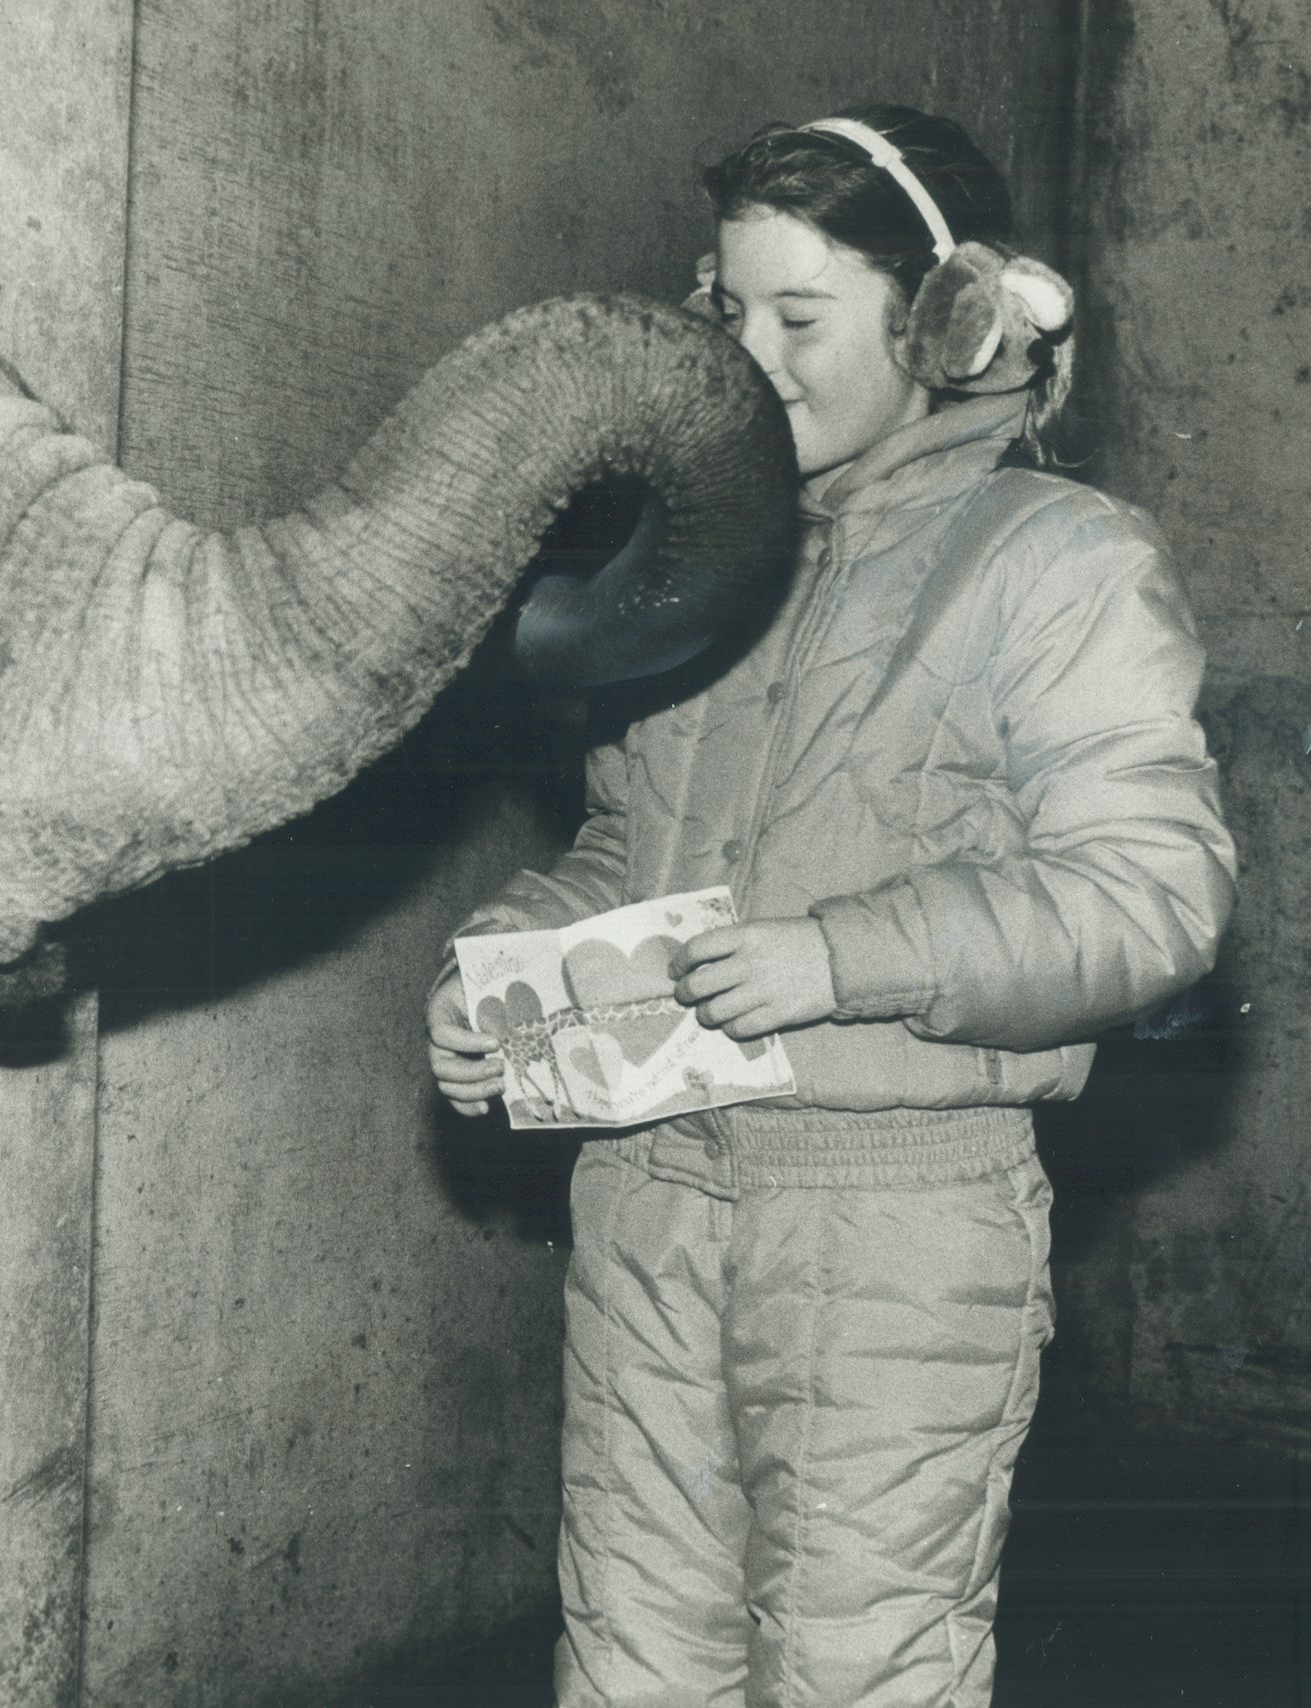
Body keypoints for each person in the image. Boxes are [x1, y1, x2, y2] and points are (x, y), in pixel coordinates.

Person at [424, 105, 1236, 1707]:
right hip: (648, 1198)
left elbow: (1151, 897)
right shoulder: (708, 559)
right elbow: (624, 846)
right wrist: (507, 973)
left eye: (803, 317)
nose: (755, 355)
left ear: (946, 322)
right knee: (632, 1662)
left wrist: (845, 957)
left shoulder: (1059, 562)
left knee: (860, 1673)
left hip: (896, 1226)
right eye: (731, 311)